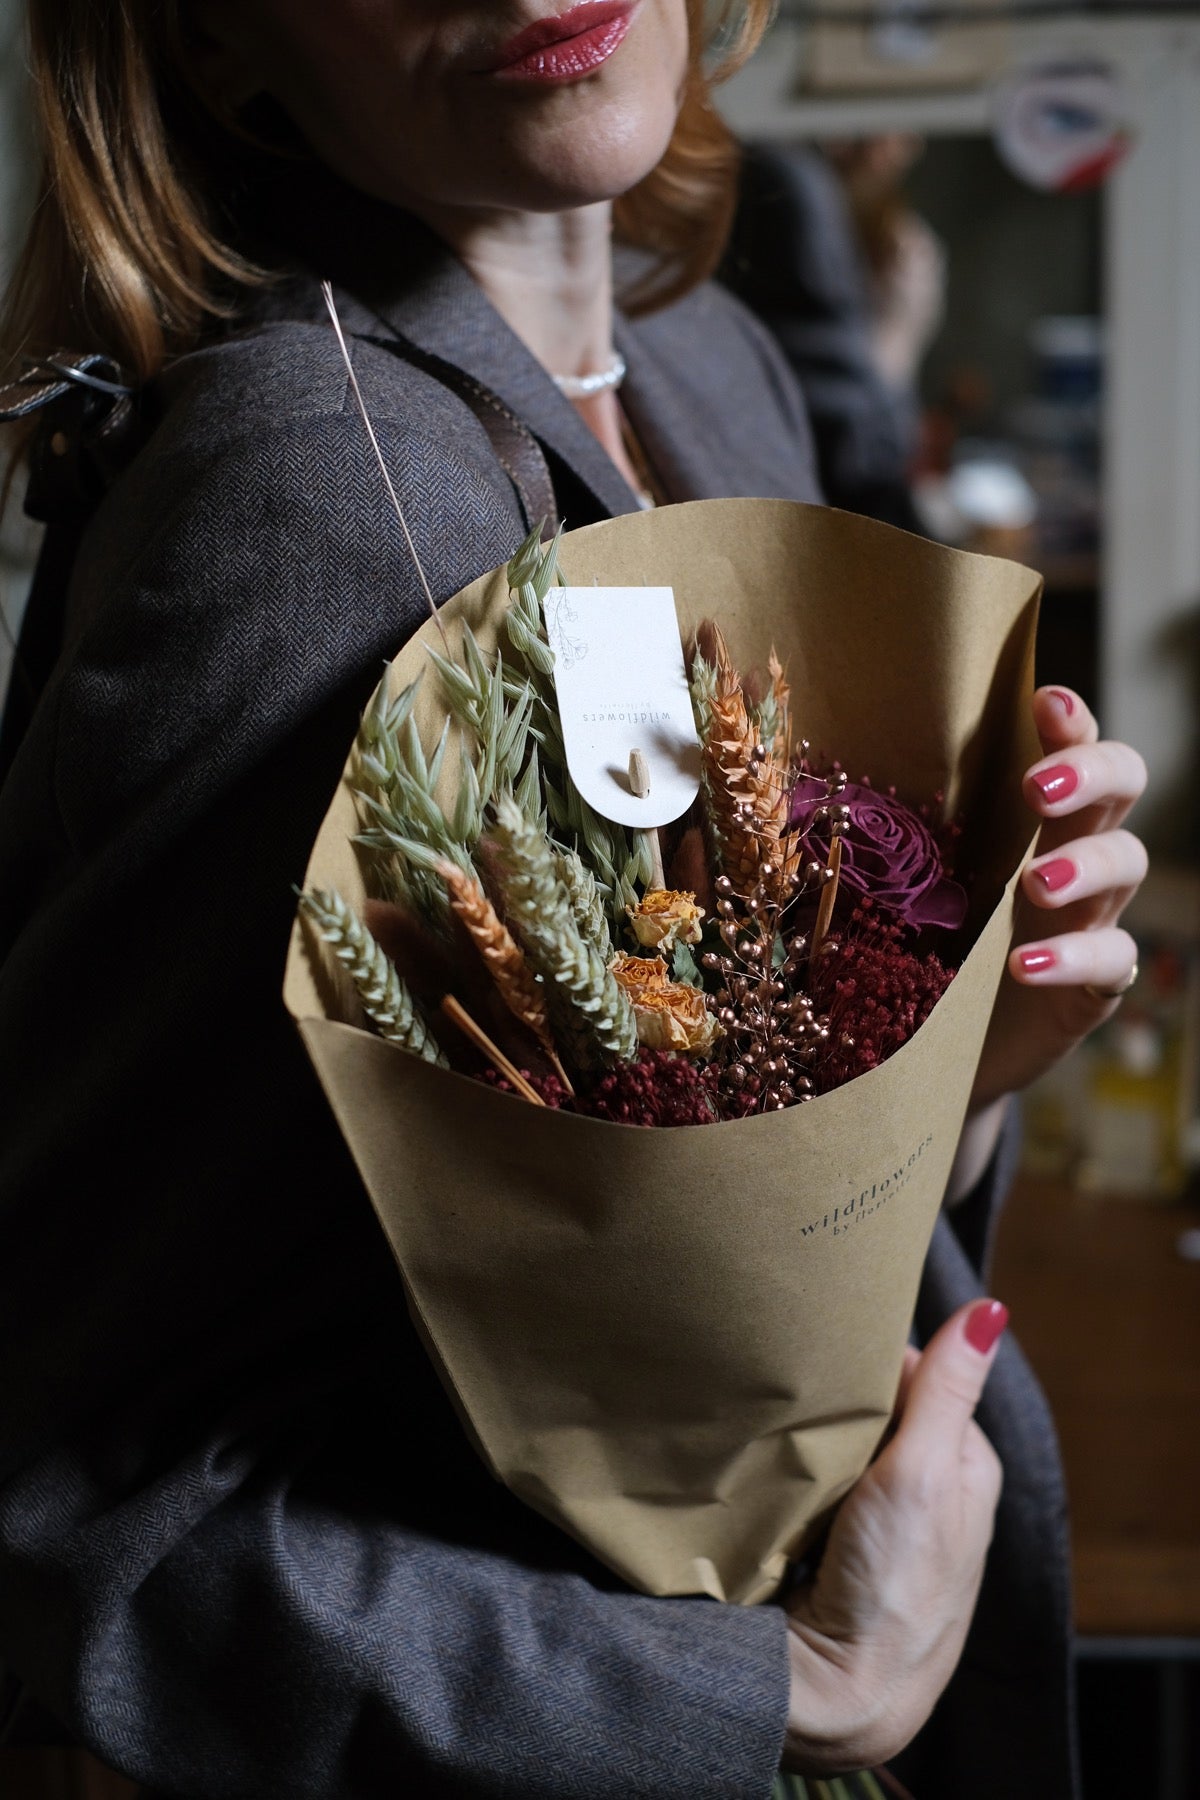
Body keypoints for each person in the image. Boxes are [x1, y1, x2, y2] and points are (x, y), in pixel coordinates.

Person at [0, 3, 1147, 1796]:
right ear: (222, 41)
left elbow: (683, 1205)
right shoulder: (299, 509)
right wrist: (776, 1694)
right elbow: (71, 1502)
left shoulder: (706, 358)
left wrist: (955, 1074)